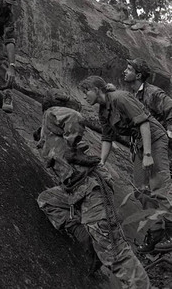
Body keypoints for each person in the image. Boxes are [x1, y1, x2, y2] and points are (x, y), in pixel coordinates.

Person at [36, 89, 150, 288]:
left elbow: (74, 116)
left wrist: (71, 149)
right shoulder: (48, 129)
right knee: (47, 200)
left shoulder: (50, 114)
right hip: (74, 192)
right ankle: (86, 237)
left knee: (116, 256)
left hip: (91, 188)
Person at [79, 75, 172, 254]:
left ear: (97, 90)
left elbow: (144, 122)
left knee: (159, 184)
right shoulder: (103, 111)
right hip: (139, 142)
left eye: (86, 92)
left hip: (154, 138)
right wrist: (102, 162)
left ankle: (170, 231)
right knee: (141, 189)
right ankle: (156, 231)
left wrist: (147, 154)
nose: (84, 96)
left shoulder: (120, 98)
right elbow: (107, 137)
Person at [124, 58, 172, 137]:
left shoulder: (153, 93)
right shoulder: (132, 94)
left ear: (138, 75)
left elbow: (170, 106)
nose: (125, 71)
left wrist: (170, 131)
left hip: (160, 141)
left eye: (129, 69)